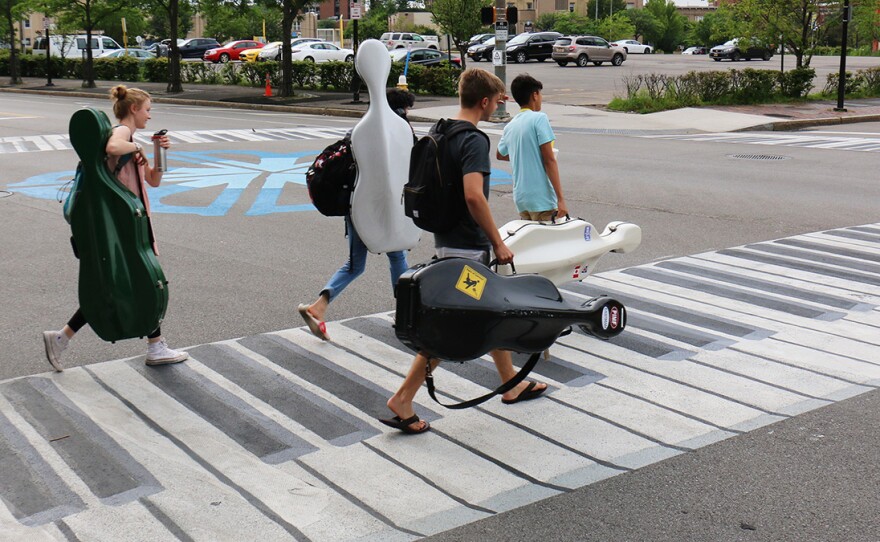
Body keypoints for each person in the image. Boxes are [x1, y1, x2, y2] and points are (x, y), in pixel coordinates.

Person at [380, 69, 548, 435]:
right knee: (451, 327)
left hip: (447, 239)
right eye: (495, 101)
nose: (496, 108)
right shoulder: (473, 140)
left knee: (487, 314)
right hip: (468, 248)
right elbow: (474, 195)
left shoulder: (442, 129)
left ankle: (511, 383)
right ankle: (403, 398)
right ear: (484, 102)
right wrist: (497, 242)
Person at [42, 85, 188, 371]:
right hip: (122, 226)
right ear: (133, 109)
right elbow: (112, 146)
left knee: (117, 285)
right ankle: (155, 347)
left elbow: (154, 180)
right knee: (145, 282)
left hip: (131, 223)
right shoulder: (121, 133)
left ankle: (61, 337)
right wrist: (138, 145)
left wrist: (158, 152)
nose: (149, 115)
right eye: (147, 109)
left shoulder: (131, 139)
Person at [298, 88, 417, 341]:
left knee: (355, 264)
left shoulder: (360, 129)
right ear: (398, 110)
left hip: (357, 206)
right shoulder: (399, 132)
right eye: (405, 110)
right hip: (386, 207)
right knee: (397, 256)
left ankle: (318, 306)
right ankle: (404, 313)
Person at [496, 73, 568, 222]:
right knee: (548, 243)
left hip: (522, 200)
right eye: (540, 94)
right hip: (541, 199)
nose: (541, 98)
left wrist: (524, 152)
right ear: (534, 95)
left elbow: (500, 154)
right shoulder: (539, 118)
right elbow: (549, 160)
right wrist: (561, 199)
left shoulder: (510, 126)